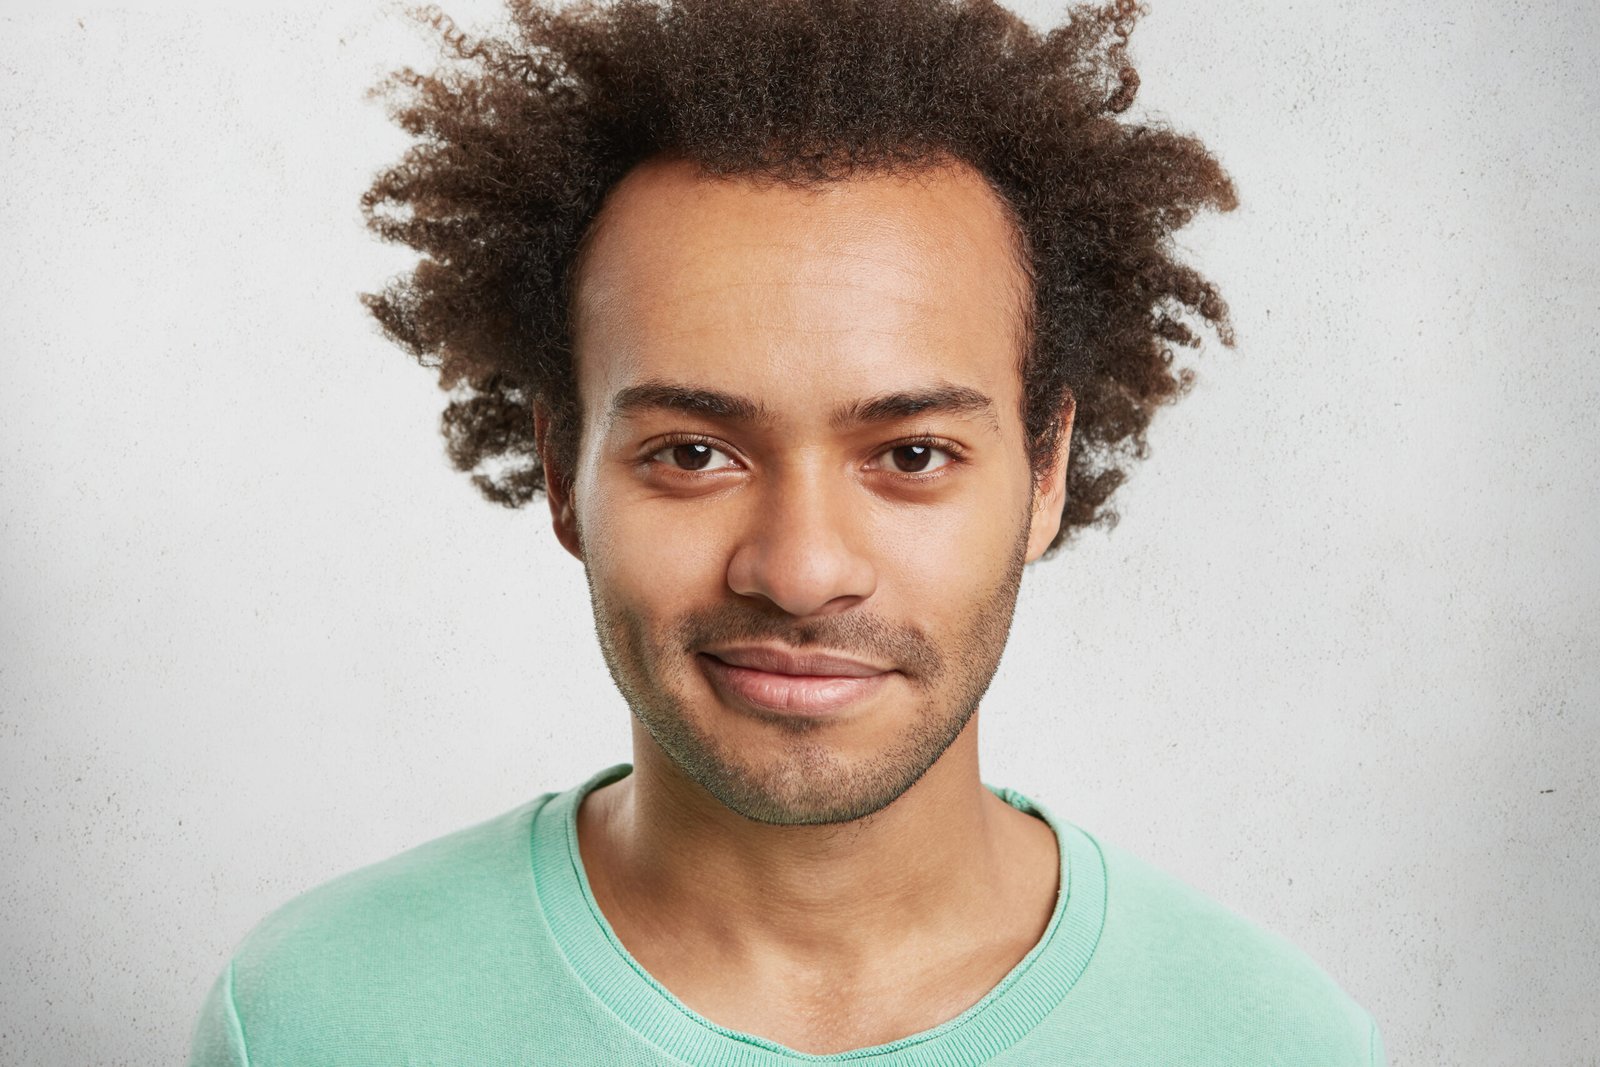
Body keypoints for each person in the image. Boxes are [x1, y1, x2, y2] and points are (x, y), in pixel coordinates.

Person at [189, 0, 1384, 1062]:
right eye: (694, 453)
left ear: (1045, 470)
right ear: (561, 472)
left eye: (911, 454)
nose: (803, 570)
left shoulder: (1275, 1040)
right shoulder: (313, 1020)